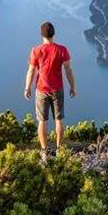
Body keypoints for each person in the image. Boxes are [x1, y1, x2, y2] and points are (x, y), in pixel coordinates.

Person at [24, 22, 76, 160]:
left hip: (41, 90)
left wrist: (27, 87)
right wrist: (73, 87)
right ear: (53, 33)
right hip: (57, 89)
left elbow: (31, 70)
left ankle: (44, 152)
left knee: (42, 121)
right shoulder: (62, 50)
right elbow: (68, 70)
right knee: (58, 120)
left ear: (41, 34)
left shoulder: (36, 50)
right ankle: (59, 150)